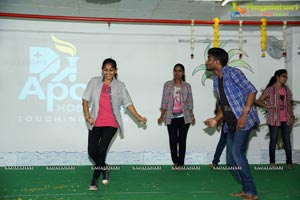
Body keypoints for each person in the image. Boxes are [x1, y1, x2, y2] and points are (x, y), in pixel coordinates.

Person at [82, 58, 147, 191]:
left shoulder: (120, 86)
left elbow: (128, 103)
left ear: (115, 71)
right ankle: (105, 167)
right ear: (102, 70)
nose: (108, 72)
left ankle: (94, 180)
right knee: (92, 152)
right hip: (95, 122)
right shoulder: (94, 82)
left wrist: (138, 116)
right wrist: (88, 116)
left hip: (111, 123)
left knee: (101, 151)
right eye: (105, 69)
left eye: (111, 70)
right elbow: (85, 100)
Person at [203, 48, 259, 200]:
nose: (206, 62)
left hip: (244, 122)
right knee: (231, 161)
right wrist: (216, 119)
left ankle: (252, 192)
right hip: (230, 124)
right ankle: (247, 188)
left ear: (217, 62)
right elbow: (224, 105)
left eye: (209, 59)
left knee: (237, 154)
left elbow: (252, 91)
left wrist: (244, 115)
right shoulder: (216, 80)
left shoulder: (233, 73)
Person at [158, 63, 195, 170]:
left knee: (182, 140)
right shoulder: (168, 85)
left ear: (183, 73)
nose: (177, 73)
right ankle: (175, 161)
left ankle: (181, 164)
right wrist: (161, 116)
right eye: (175, 70)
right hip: (171, 117)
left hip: (184, 117)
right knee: (173, 140)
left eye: (179, 71)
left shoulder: (187, 86)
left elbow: (190, 102)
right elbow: (164, 101)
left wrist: (192, 115)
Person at [256, 69, 294, 169]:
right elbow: (258, 101)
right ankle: (272, 162)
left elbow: (289, 104)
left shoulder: (286, 90)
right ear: (277, 77)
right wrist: (268, 106)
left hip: (285, 118)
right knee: (273, 140)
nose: (285, 78)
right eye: (283, 76)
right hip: (273, 118)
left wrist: (292, 116)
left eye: (286, 76)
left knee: (287, 140)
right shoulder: (270, 89)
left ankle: (289, 162)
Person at [209, 101, 226, 168]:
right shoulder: (220, 101)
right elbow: (219, 113)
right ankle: (215, 162)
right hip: (226, 124)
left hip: (236, 124)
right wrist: (218, 123)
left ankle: (242, 164)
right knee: (221, 143)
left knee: (236, 147)